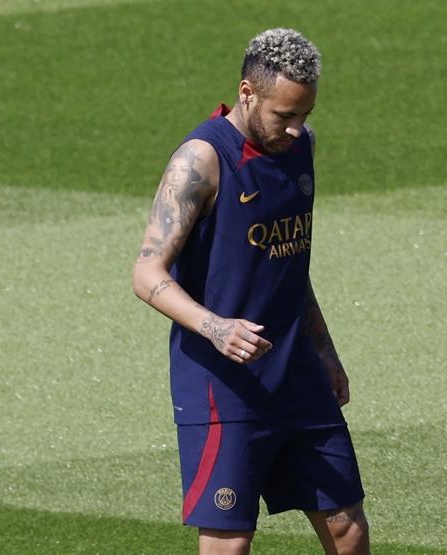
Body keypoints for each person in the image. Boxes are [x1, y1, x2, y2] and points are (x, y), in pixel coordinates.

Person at [131, 28, 369, 555]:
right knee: (229, 542)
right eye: (284, 115)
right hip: (224, 385)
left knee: (348, 527)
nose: (296, 127)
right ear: (247, 92)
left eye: (305, 114)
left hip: (297, 374)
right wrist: (217, 328)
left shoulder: (299, 148)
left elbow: (288, 261)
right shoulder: (201, 160)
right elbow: (147, 274)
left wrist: (324, 350)